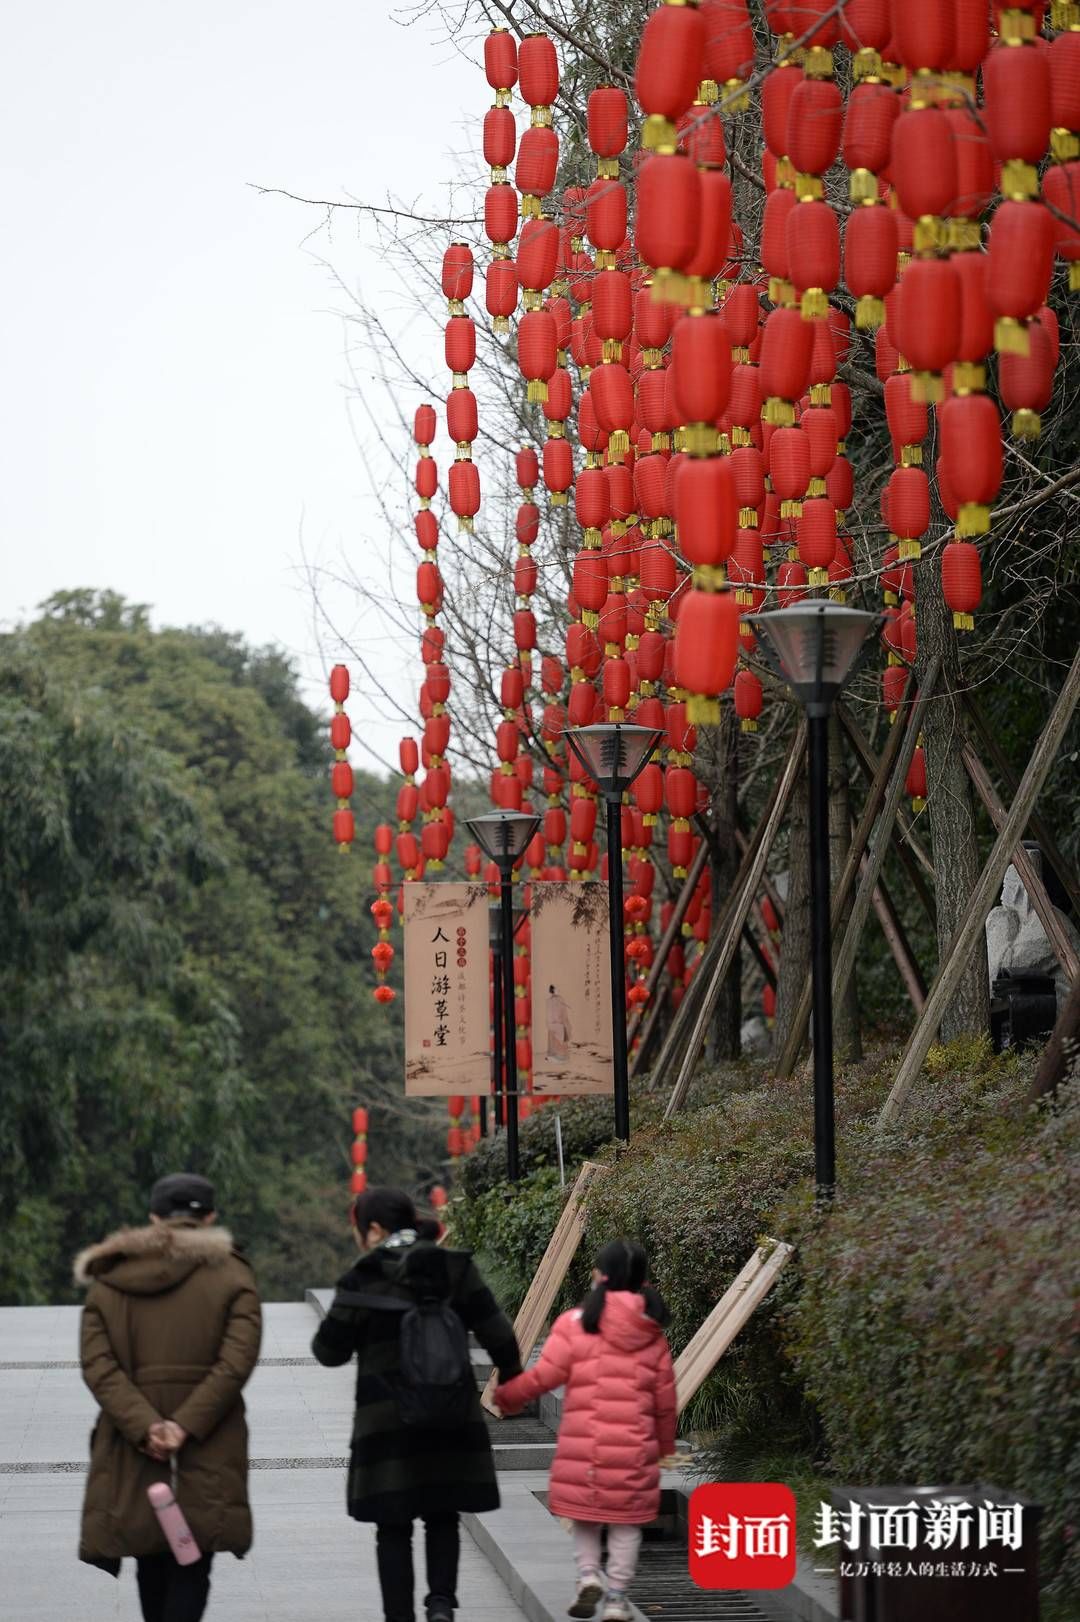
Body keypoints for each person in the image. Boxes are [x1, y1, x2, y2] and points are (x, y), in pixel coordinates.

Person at [312, 1185, 522, 1622]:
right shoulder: (455, 1267)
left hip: (386, 1420)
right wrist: (513, 1382)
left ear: (372, 1228)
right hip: (451, 1413)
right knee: (442, 1513)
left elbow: (328, 1351)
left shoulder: (365, 1274)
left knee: (393, 1525)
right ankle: (441, 1603)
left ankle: (399, 1617)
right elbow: (498, 1333)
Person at [75, 1173, 262, 1622]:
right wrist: (184, 1424)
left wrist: (145, 1425)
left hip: (132, 1444)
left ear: (154, 1218)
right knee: (192, 1560)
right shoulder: (233, 1276)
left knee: (150, 1555)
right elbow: (236, 1361)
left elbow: (98, 1364)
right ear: (211, 1217)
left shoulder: (110, 1279)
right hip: (208, 1442)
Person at [494, 1238, 676, 1622]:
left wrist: (508, 1396)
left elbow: (544, 1376)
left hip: (585, 1452)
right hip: (633, 1452)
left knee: (586, 1518)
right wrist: (664, 1446)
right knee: (626, 1527)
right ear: (642, 1280)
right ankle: (616, 1597)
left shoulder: (575, 1324)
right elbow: (664, 1399)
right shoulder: (651, 1332)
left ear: (598, 1275)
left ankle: (589, 1575)